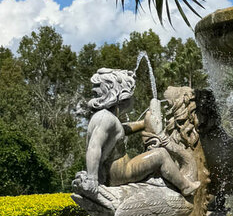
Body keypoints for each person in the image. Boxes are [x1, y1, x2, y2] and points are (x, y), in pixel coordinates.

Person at [77, 68, 199, 197]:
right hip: (120, 173)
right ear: (122, 96)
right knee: (161, 154)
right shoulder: (105, 118)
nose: (133, 99)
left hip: (115, 172)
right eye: (131, 95)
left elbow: (120, 131)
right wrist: (92, 179)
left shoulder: (105, 117)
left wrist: (142, 124)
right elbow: (94, 147)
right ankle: (185, 186)